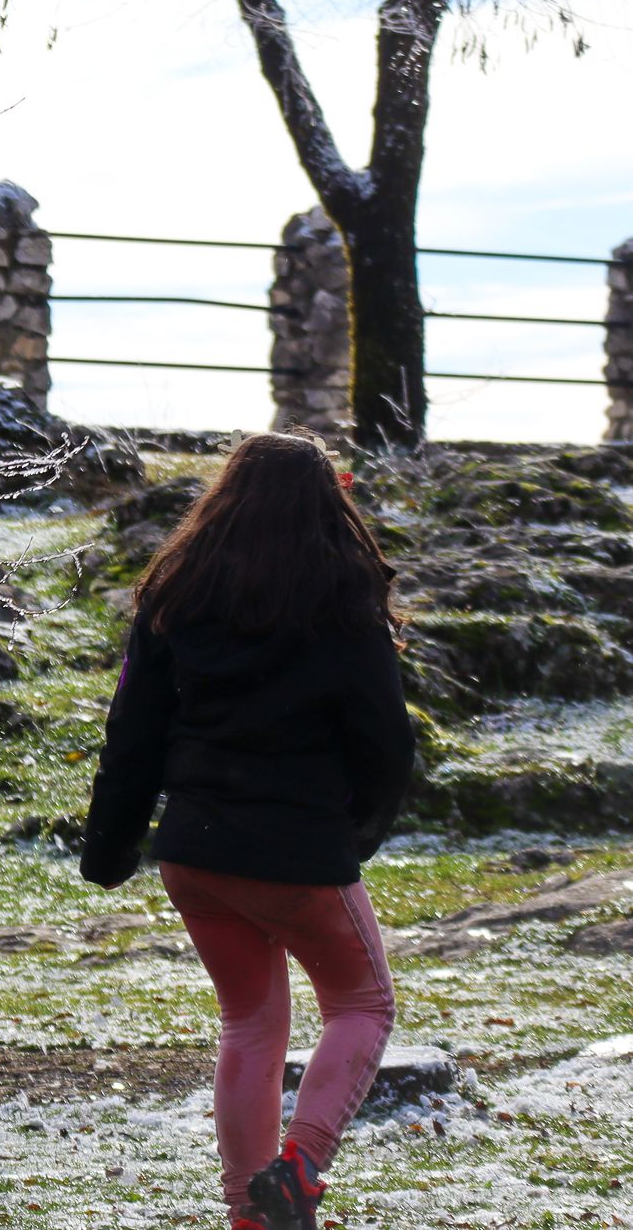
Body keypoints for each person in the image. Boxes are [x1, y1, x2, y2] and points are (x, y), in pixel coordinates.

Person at [78, 431, 414, 1230]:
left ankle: (249, 1213)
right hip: (299, 855)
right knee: (364, 1004)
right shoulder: (342, 601)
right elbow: (387, 743)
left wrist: (111, 845)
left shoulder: (176, 595)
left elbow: (132, 733)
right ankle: (298, 1169)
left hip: (196, 852)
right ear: (328, 505)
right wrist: (356, 831)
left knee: (251, 1024)